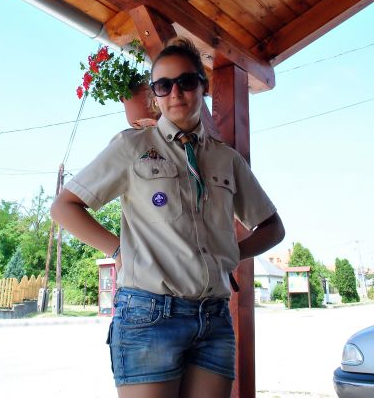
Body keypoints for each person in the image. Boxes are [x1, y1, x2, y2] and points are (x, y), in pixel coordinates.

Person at [51, 37, 285, 398]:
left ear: (203, 87)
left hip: (214, 317)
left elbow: (273, 227)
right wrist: (117, 250)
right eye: (163, 85)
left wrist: (232, 253)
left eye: (187, 81)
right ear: (155, 95)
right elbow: (64, 206)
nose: (175, 92)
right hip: (149, 315)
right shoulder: (133, 148)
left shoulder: (227, 160)